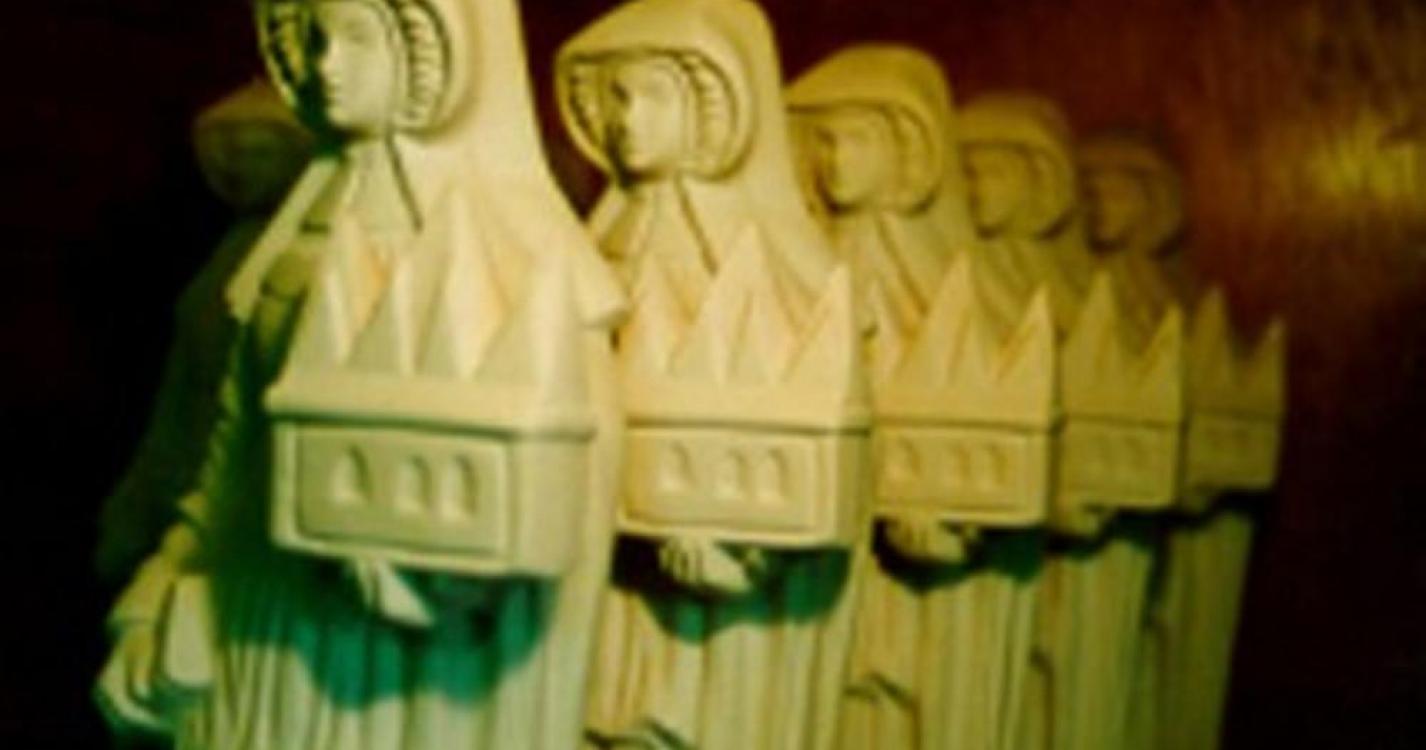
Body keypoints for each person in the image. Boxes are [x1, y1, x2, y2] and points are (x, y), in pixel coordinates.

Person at [95, 1, 624, 747]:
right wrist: (159, 585)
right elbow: (234, 458)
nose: (326, 65)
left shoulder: (527, 266)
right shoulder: (293, 243)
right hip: (262, 628)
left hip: (407, 674)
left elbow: (563, 506)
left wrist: (435, 578)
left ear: (433, 56)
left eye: (356, 37)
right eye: (314, 39)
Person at [557, 1, 867, 747]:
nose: (627, 120)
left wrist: (741, 558)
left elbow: (810, 446)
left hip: (721, 607)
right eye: (616, 98)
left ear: (707, 110)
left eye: (652, 96)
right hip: (601, 572)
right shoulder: (592, 241)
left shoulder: (779, 263)